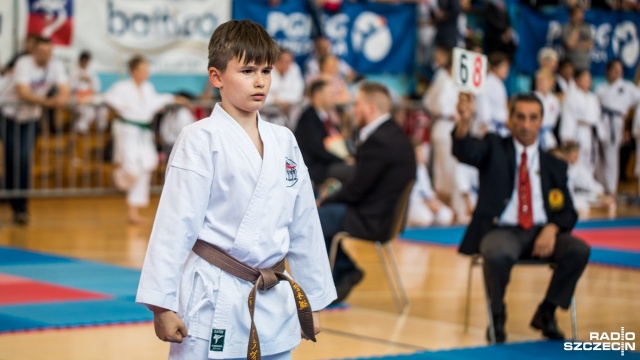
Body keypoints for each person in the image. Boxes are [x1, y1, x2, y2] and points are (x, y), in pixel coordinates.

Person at [135, 20, 336, 360]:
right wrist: (162, 305)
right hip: (214, 296)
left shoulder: (283, 139)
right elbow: (175, 225)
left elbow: (303, 225)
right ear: (216, 77)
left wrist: (313, 300)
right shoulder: (200, 138)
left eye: (266, 70)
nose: (259, 81)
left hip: (273, 298)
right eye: (246, 70)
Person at [452, 93, 590, 343]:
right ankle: (497, 314)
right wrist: (464, 122)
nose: (526, 124)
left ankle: (546, 312)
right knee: (497, 253)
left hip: (542, 231)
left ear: (541, 121)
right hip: (501, 230)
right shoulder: (493, 147)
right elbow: (465, 151)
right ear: (510, 119)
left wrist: (552, 227)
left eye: (533, 118)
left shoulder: (554, 164)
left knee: (578, 250)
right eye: (520, 117)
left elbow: (569, 211)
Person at [318, 82, 415, 303]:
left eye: (357, 105)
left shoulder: (379, 140)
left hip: (372, 218)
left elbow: (356, 190)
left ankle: (341, 272)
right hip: (384, 215)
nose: (353, 110)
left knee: (314, 218)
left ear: (370, 108)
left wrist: (323, 201)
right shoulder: (392, 133)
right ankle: (345, 270)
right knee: (324, 214)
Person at [103, 55, 184, 224]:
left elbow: (155, 101)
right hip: (127, 129)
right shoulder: (122, 87)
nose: (146, 73)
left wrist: (173, 98)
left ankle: (133, 212)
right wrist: (121, 107)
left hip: (143, 131)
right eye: (143, 69)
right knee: (132, 167)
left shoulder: (147, 87)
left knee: (148, 164)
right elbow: (107, 99)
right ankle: (119, 173)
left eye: (147, 69)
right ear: (133, 71)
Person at [0, 36, 69, 225]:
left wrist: (61, 98)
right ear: (34, 51)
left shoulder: (55, 66)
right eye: (41, 52)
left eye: (48, 52)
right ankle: (11, 196)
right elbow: (23, 92)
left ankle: (21, 207)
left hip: (31, 118)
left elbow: (64, 88)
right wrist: (48, 103)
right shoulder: (23, 63)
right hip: (9, 116)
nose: (45, 56)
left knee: (24, 159)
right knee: (13, 159)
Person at [595, 59, 640, 196]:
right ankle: (599, 187)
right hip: (600, 121)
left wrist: (629, 125)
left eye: (620, 69)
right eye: (614, 69)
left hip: (616, 122)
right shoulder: (601, 88)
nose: (618, 72)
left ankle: (611, 189)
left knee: (612, 156)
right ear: (608, 71)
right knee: (597, 156)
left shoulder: (627, 87)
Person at [294, 80, 351, 186]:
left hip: (329, 162)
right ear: (318, 96)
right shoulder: (308, 118)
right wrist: (344, 160)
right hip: (318, 167)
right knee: (354, 171)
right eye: (330, 94)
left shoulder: (326, 117)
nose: (334, 98)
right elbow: (318, 149)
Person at [552, 142, 615, 219]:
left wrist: (601, 194)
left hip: (576, 195)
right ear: (567, 154)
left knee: (587, 200)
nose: (576, 156)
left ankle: (601, 203)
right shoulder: (560, 168)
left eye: (577, 153)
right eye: (574, 153)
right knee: (579, 205)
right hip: (563, 198)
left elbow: (589, 183)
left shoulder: (576, 167)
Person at [559, 69, 600, 175]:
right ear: (576, 80)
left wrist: (600, 134)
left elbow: (597, 118)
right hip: (577, 131)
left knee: (590, 159)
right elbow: (568, 116)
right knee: (576, 161)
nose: (588, 81)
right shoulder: (571, 96)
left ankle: (587, 184)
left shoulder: (593, 97)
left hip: (590, 132)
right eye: (584, 78)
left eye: (589, 78)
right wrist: (567, 136)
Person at [407, 142, 454, 227]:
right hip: (414, 203)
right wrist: (427, 203)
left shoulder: (422, 168)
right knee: (425, 218)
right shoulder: (406, 169)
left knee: (447, 215)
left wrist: (434, 201)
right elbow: (411, 195)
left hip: (428, 202)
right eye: (419, 151)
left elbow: (427, 190)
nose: (422, 154)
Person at [70, 51, 108, 134]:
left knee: (102, 106)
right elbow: (69, 87)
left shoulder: (91, 72)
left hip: (89, 95)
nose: (84, 63)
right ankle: (81, 128)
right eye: (83, 61)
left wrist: (89, 80)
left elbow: (97, 87)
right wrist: (79, 79)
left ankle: (102, 126)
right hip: (77, 97)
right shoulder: (73, 72)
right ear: (79, 61)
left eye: (86, 61)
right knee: (88, 110)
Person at [477, 52, 511, 138]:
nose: (507, 70)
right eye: (504, 66)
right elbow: (482, 102)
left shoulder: (498, 83)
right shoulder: (488, 82)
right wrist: (485, 123)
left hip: (500, 128)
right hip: (490, 128)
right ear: (494, 67)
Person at [534, 68, 561, 151]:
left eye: (544, 81)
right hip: (534, 134)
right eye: (539, 81)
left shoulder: (555, 100)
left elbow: (555, 119)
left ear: (551, 83)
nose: (541, 84)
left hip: (548, 135)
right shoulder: (532, 98)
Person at [561, 7, 593, 72]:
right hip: (571, 65)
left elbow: (590, 44)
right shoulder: (565, 27)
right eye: (577, 14)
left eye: (581, 14)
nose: (580, 17)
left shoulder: (586, 27)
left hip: (585, 65)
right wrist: (576, 28)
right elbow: (569, 44)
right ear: (571, 16)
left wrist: (575, 45)